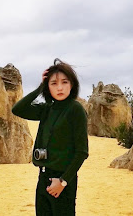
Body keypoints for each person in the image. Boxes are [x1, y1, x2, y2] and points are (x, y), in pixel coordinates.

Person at [12, 58, 89, 216]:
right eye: (53, 83)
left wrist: (62, 182)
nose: (59, 87)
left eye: (64, 82)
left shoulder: (75, 109)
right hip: (43, 177)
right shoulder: (47, 108)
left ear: (72, 84)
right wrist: (41, 87)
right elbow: (18, 109)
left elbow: (82, 152)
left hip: (63, 181)